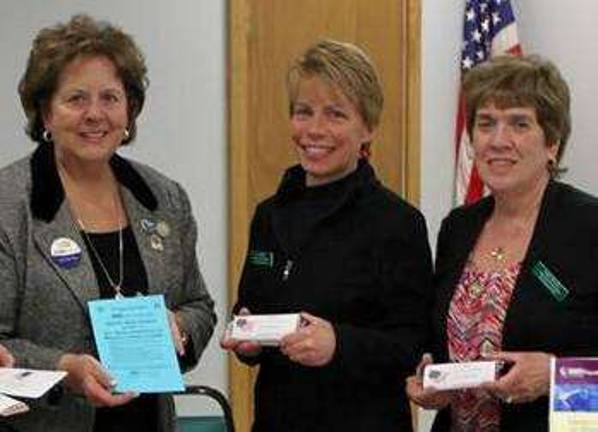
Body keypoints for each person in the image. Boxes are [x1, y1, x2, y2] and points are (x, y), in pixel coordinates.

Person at [0, 15, 216, 432]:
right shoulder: (9, 204)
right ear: (45, 113)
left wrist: (181, 329)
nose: (94, 114)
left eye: (110, 98)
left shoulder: (164, 198)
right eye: (76, 99)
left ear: (129, 111)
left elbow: (199, 306)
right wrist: (66, 369)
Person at [221, 39, 433, 432]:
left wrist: (339, 343)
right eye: (304, 112)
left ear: (367, 127)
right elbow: (250, 305)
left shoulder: (398, 223)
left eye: (336, 115)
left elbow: (412, 344)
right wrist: (247, 338)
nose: (315, 130)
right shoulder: (269, 214)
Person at [407, 54, 598, 431]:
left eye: (519, 124)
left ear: (552, 143)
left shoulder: (588, 227)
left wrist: (554, 375)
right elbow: (438, 340)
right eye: (486, 123)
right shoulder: (458, 228)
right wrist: (431, 376)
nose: (498, 140)